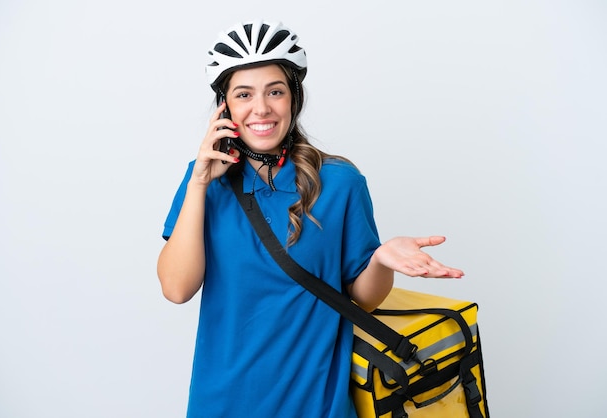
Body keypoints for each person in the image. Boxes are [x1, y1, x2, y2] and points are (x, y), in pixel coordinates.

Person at [157, 20, 464, 418]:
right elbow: (177, 289)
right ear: (225, 106)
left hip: (317, 404)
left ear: (294, 98)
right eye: (244, 94)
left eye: (275, 92)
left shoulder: (340, 182)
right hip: (222, 403)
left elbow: (364, 300)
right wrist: (199, 183)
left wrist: (382, 259)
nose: (261, 108)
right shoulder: (202, 180)